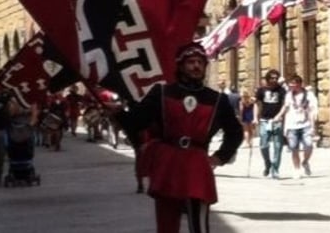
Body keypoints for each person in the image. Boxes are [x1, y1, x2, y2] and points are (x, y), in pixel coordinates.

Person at [116, 42, 243, 233]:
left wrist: (220, 156)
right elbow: (137, 122)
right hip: (168, 163)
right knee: (166, 223)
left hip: (197, 165)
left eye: (200, 62)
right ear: (181, 66)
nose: (196, 66)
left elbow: (235, 132)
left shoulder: (217, 99)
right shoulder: (162, 93)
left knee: (199, 226)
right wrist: (118, 114)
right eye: (191, 62)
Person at [272, 75, 318, 179]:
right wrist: (278, 115)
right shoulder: (289, 95)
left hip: (305, 124)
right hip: (292, 125)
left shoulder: (308, 95)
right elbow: (285, 106)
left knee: (309, 145)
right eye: (290, 83)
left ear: (299, 84)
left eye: (293, 83)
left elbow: (312, 111)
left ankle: (305, 161)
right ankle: (296, 169)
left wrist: (313, 126)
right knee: (294, 148)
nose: (290, 85)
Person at [253, 69, 286, 179]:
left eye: (276, 78)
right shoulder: (261, 90)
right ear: (267, 79)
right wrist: (255, 118)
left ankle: (275, 169)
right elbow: (257, 104)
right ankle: (267, 163)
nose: (274, 80)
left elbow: (284, 105)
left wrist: (280, 116)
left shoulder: (281, 90)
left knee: (278, 146)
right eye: (272, 78)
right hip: (264, 120)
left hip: (277, 121)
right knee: (263, 145)